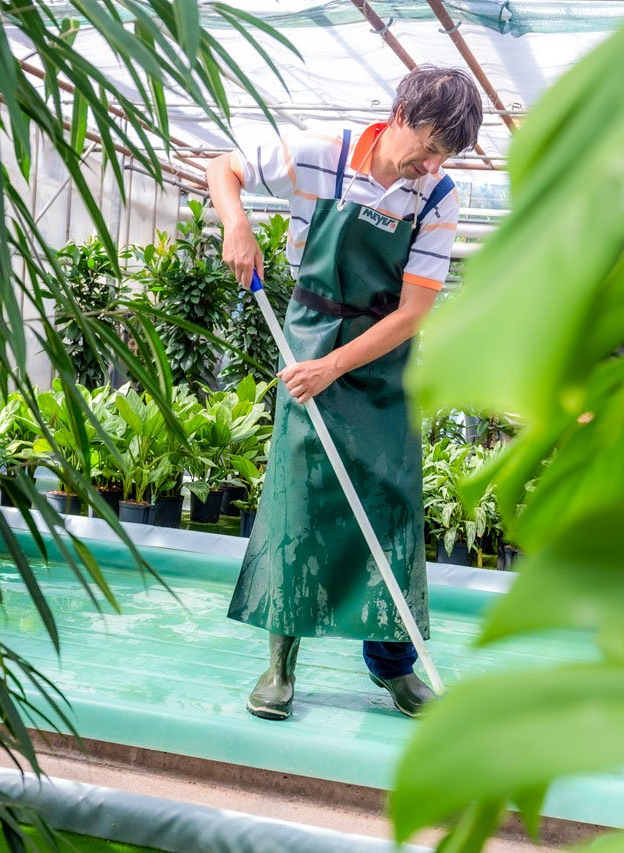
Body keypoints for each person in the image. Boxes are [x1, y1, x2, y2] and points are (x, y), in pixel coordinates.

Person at [206, 66, 483, 721]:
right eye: (431, 143)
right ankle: (280, 665)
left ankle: (393, 669)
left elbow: (413, 310)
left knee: (389, 505)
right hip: (310, 331)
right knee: (301, 500)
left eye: (445, 152)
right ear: (401, 114)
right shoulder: (319, 153)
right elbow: (224, 166)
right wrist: (236, 224)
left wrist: (335, 365)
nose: (432, 161)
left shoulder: (436, 194)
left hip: (382, 355)